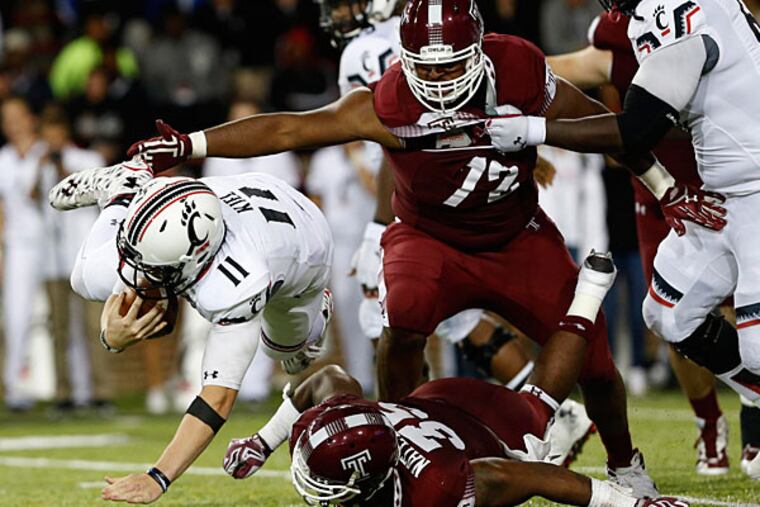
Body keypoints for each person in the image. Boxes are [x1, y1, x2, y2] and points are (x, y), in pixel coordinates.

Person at [127, 0, 725, 495]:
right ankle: (398, 427)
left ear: (479, 53)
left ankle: (625, 464)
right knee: (403, 319)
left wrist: (666, 187)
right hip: (429, 238)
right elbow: (290, 126)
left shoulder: (518, 70)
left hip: (515, 235)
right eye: (426, 69)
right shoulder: (388, 102)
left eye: (449, 68)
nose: (436, 82)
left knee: (593, 358)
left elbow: (597, 123)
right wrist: (194, 144)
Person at [486, 0, 760, 409]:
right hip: (726, 194)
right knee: (669, 312)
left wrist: (533, 130)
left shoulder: (681, 9)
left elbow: (635, 131)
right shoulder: (649, 17)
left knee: (757, 349)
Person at [48, 158, 333, 503]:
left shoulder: (237, 283)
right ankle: (122, 190)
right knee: (87, 279)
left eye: (151, 267)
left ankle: (315, 317)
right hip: (223, 202)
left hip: (303, 242)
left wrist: (159, 477)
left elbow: (218, 397)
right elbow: (139, 258)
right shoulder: (168, 211)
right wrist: (111, 338)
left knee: (288, 353)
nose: (134, 274)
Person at [545, 9, 734, 475]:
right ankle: (711, 420)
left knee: (744, 306)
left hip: (732, 182)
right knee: (671, 310)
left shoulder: (722, 20)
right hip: (660, 188)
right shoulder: (618, 33)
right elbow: (567, 71)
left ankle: (751, 415)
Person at [221, 364, 689, 507]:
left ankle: (586, 303)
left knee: (534, 407)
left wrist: (632, 503)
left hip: (494, 429)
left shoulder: (436, 489)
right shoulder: (357, 416)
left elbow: (527, 476)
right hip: (434, 398)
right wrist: (263, 441)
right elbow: (329, 379)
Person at [0, 96, 48, 411]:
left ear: (31, 118)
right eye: (6, 118)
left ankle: (75, 389)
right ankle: (15, 383)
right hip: (19, 243)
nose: (12, 123)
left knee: (66, 316)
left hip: (57, 244)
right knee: (16, 315)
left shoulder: (48, 152)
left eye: (17, 116)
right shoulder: (3, 157)